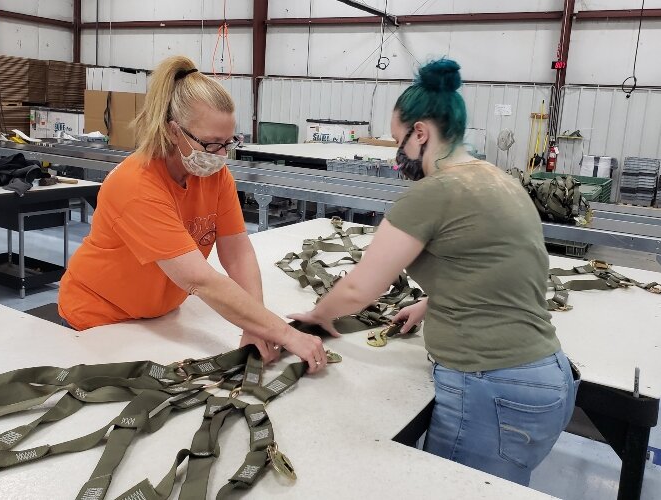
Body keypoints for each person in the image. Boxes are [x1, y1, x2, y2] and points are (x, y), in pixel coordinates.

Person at [289, 59, 578, 484]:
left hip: (492, 384)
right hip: (545, 375)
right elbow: (495, 266)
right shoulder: (497, 179)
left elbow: (360, 288)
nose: (397, 153)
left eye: (398, 140)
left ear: (420, 132)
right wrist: (428, 304)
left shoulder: (434, 192)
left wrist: (318, 316)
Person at [58, 56, 327, 373]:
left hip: (160, 317)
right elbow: (199, 279)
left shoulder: (214, 176)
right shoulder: (136, 184)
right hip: (101, 317)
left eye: (229, 142)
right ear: (174, 131)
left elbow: (237, 253)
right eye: (212, 143)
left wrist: (256, 323)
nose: (222, 155)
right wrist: (282, 332)